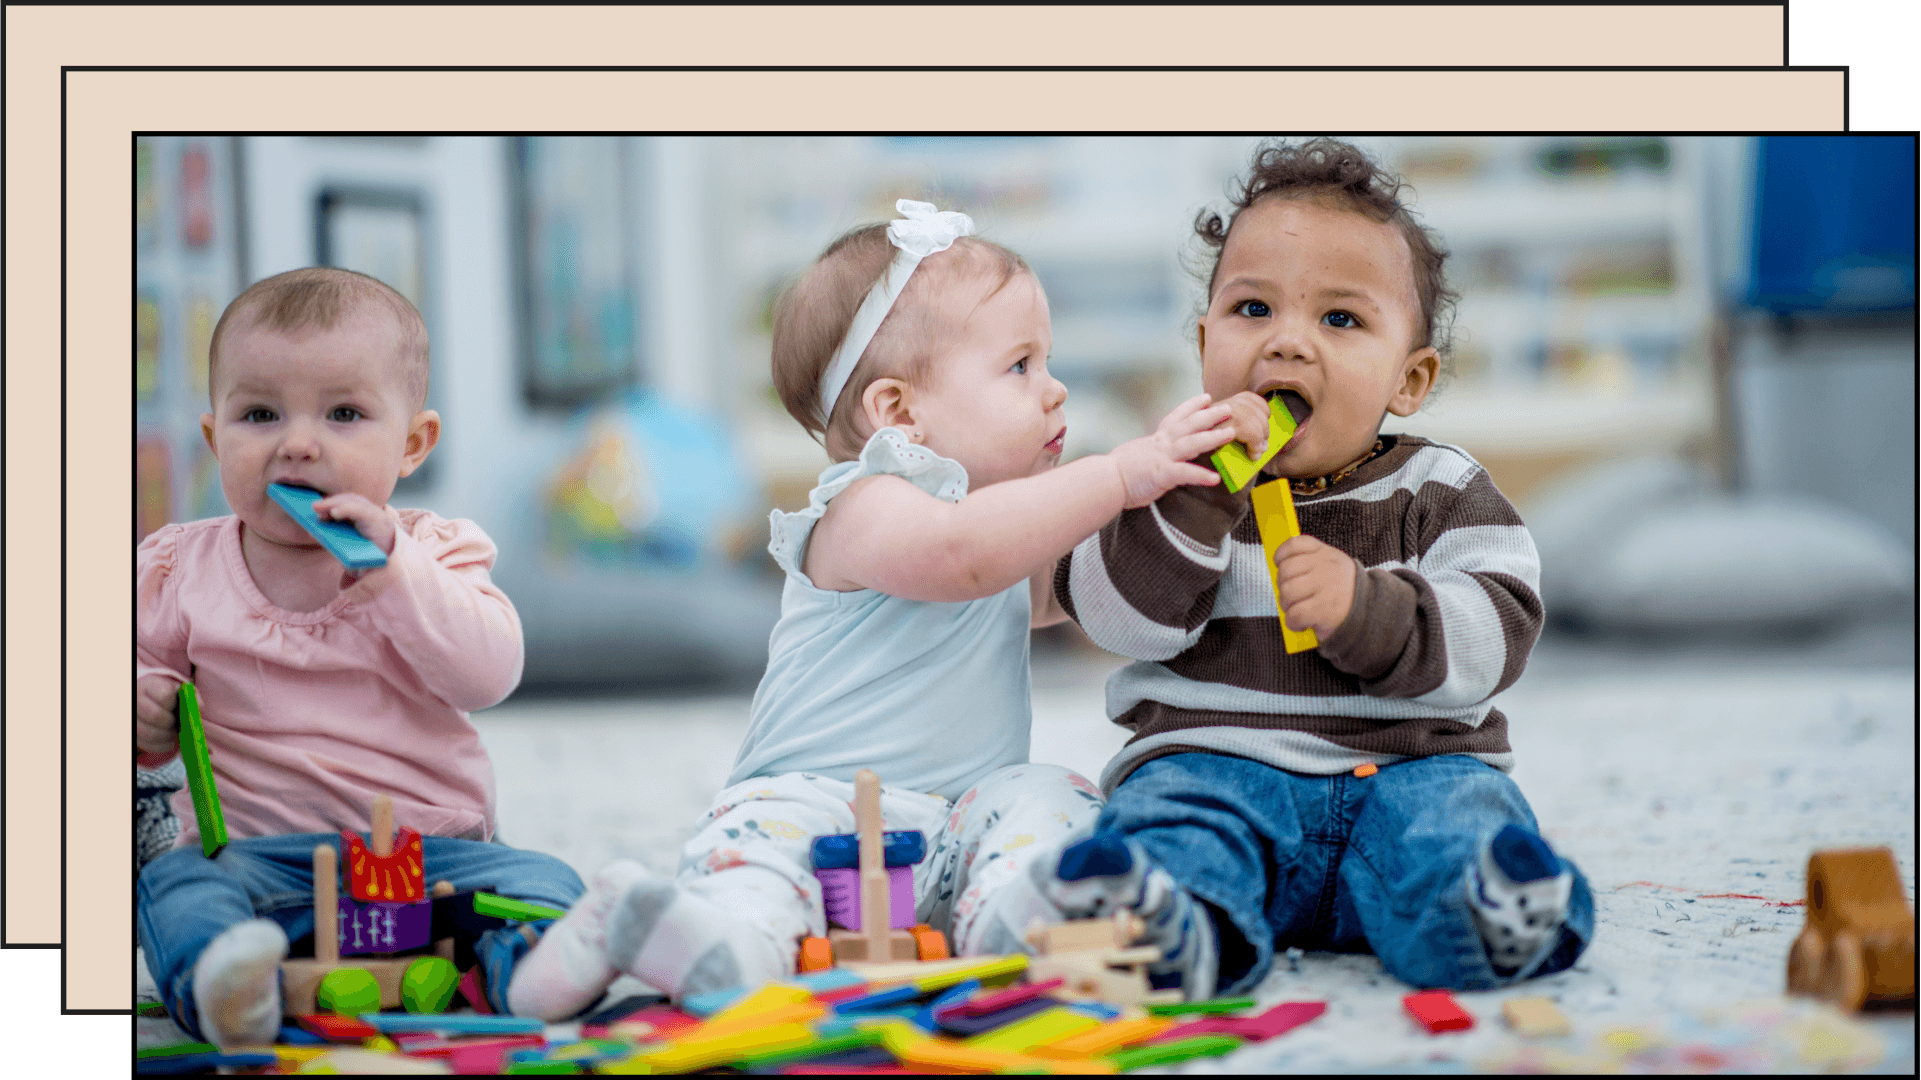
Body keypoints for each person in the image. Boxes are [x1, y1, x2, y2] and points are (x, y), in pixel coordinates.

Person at [506, 201, 1260, 1019]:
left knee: (1049, 790)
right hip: (817, 801)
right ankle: (700, 934)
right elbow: (961, 555)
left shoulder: (997, 519)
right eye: (1020, 367)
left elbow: (1090, 594)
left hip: (961, 818)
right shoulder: (865, 507)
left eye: (1047, 361)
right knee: (762, 862)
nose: (1055, 389)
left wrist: (1185, 504)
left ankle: (1018, 911)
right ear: (897, 413)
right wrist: (1118, 473)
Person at [1034, 139, 1594, 1000]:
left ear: (1408, 379)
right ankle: (1165, 924)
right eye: (1252, 309)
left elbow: (1500, 632)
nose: (1285, 345)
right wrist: (1197, 500)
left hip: (1409, 769)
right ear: (1203, 340)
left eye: (1339, 320)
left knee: (1457, 823)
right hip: (1216, 767)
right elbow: (1115, 620)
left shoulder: (1439, 488)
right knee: (1169, 820)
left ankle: (1490, 911)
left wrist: (1370, 610)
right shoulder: (1163, 475)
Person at [135, 267, 585, 1047]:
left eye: (344, 413)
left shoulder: (436, 554)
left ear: (412, 444)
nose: (298, 443)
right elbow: (140, 712)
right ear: (215, 439)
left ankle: (532, 973)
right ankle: (228, 982)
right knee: (172, 884)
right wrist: (140, 710)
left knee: (546, 884)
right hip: (258, 862)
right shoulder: (179, 570)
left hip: (431, 854)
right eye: (259, 414)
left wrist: (397, 574)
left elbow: (489, 675)